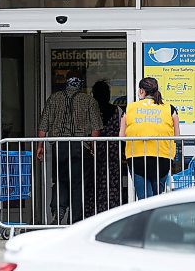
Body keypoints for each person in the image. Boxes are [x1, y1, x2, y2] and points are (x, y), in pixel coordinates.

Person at [36, 77, 103, 224]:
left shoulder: (54, 99)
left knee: (60, 180)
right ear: (80, 86)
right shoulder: (89, 101)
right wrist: (93, 147)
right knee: (78, 183)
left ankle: (58, 210)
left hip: (59, 146)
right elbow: (95, 128)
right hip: (80, 147)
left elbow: (43, 125)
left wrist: (39, 146)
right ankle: (76, 219)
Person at [119, 77, 180, 200]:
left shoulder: (129, 108)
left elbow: (122, 136)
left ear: (141, 91)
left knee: (144, 199)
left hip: (137, 157)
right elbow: (176, 136)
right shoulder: (170, 108)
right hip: (162, 157)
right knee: (157, 199)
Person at [85, 80, 123, 217]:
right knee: (111, 185)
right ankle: (111, 215)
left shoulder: (90, 111)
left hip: (93, 153)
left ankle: (92, 215)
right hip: (112, 154)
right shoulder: (117, 110)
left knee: (92, 186)